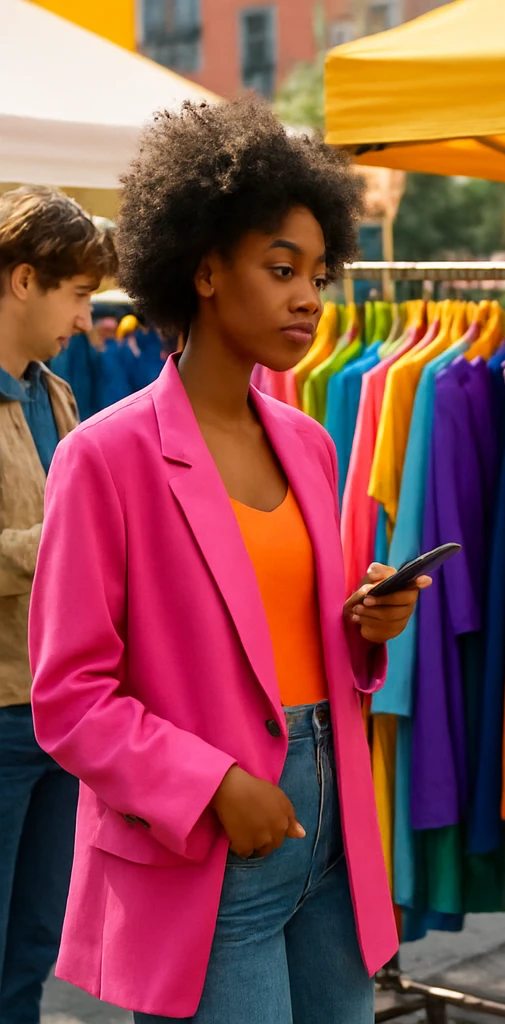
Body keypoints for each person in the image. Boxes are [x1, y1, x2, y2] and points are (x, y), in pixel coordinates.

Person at [27, 97, 428, 1024]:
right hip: (206, 849)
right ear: (203, 269)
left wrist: (365, 626)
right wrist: (209, 787)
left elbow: (281, 635)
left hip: (330, 832)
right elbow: (71, 697)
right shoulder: (106, 456)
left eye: (320, 275)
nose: (308, 299)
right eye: (281, 269)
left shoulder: (309, 444)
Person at [0, 186, 113, 1024]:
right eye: (77, 294)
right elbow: (57, 540)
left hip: (57, 708)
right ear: (24, 280)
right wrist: (68, 540)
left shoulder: (57, 394)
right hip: (1, 711)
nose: (85, 317)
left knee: (36, 939)